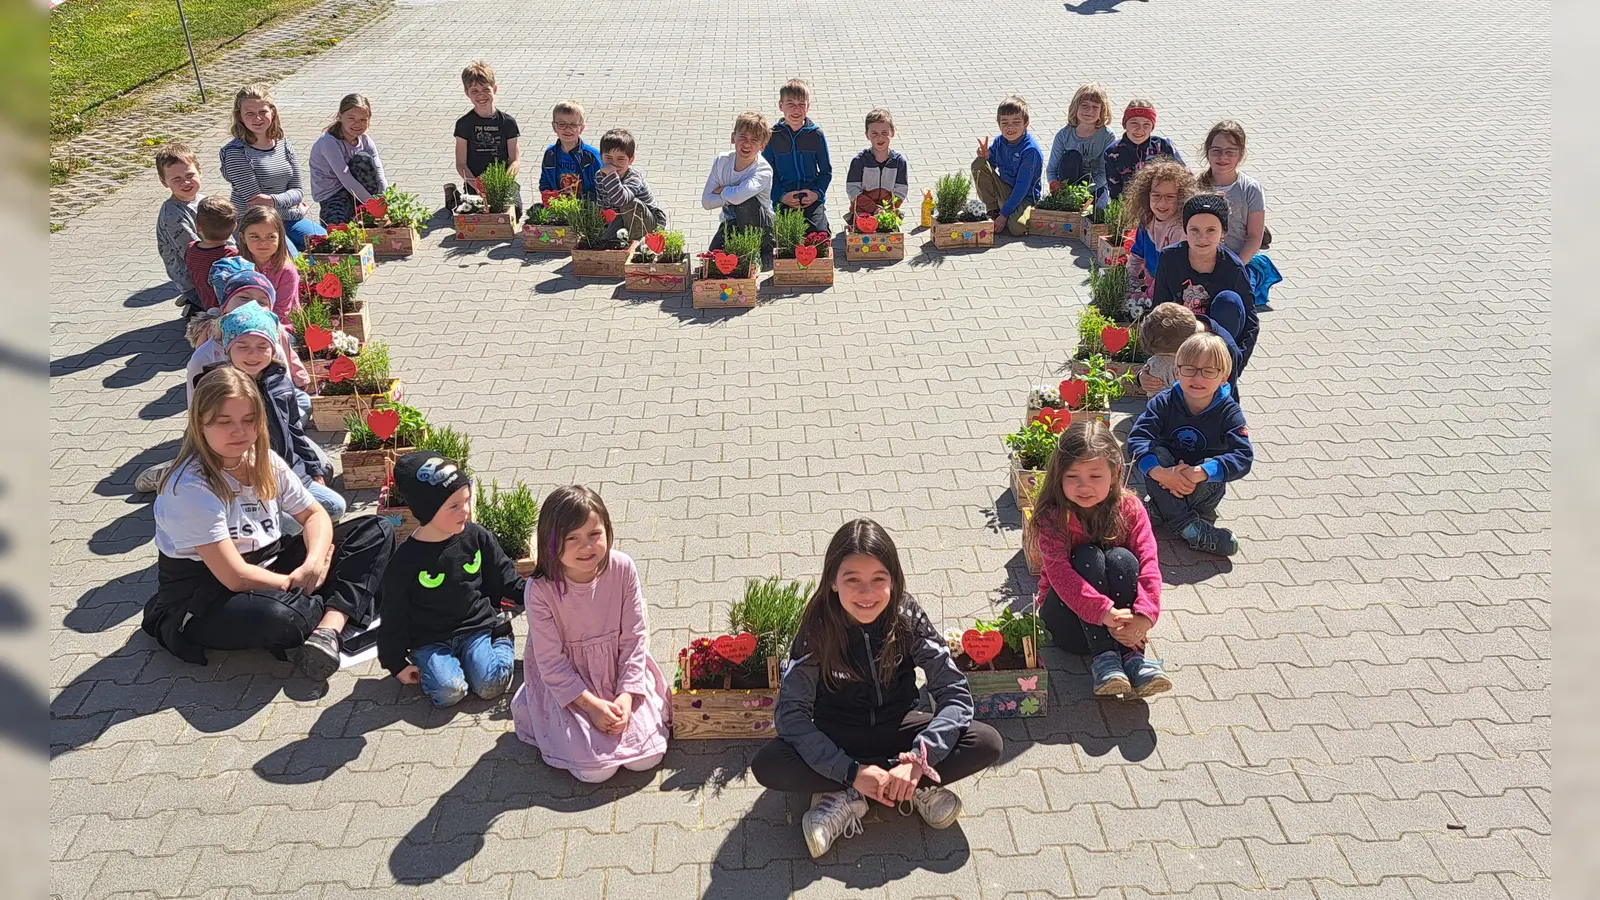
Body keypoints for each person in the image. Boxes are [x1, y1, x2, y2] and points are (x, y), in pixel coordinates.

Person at [750, 519, 1004, 858]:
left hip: (900, 731)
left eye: (878, 580)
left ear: (894, 581)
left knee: (986, 741)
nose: (866, 593)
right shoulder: (817, 627)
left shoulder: (907, 616)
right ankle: (867, 789)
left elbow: (954, 692)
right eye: (852, 579)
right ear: (833, 583)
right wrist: (852, 771)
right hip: (839, 736)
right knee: (769, 763)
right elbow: (791, 715)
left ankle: (879, 789)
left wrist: (917, 759)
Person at [145, 366, 394, 677]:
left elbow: (314, 514)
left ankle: (329, 628)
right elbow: (235, 577)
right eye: (225, 423)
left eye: (249, 421)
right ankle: (345, 600)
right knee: (282, 617)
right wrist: (298, 583)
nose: (240, 431)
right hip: (208, 593)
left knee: (375, 529)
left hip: (273, 564)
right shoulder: (189, 488)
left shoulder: (265, 460)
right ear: (200, 424)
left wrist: (314, 563)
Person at [511, 486, 671, 783]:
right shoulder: (541, 589)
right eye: (572, 538)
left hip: (619, 672)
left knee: (648, 756)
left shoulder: (622, 568)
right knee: (595, 770)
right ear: (550, 543)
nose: (586, 547)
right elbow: (550, 660)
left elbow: (634, 637)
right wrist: (592, 706)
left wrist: (625, 696)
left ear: (608, 531)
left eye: (594, 534)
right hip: (571, 686)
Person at [1026, 420, 1172, 698]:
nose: (1084, 487)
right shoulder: (1052, 517)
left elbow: (1149, 561)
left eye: (1095, 476)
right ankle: (1105, 659)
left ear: (1115, 472)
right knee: (1087, 557)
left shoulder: (1129, 507)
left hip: (1122, 627)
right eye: (1072, 477)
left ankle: (1133, 658)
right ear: (1058, 476)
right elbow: (1060, 576)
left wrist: (1144, 614)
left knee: (1123, 559)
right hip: (1067, 624)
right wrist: (1103, 612)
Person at [379, 452, 520, 707]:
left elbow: (505, 575)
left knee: (490, 686)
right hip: (429, 640)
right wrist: (396, 663)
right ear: (427, 510)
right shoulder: (404, 561)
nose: (464, 510)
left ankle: (501, 638)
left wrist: (537, 591)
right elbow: (392, 614)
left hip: (475, 627)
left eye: (466, 500)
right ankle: (455, 666)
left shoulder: (477, 537)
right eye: (454, 506)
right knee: (448, 693)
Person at [208, 302, 343, 523]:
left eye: (262, 346)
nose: (253, 354)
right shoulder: (221, 389)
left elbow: (294, 430)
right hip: (248, 482)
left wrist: (313, 469)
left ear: (273, 348)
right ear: (227, 349)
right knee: (292, 524)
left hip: (289, 472)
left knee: (335, 507)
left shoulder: (279, 381)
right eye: (242, 346)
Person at [1127, 333, 1254, 556]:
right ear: (1176, 372)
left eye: (1209, 371)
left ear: (1223, 377)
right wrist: (1160, 473)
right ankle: (1190, 529)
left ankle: (1158, 511)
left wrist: (1202, 472)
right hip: (1164, 479)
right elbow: (1138, 438)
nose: (1198, 378)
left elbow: (1243, 456)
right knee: (1157, 451)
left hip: (1203, 489)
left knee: (1211, 462)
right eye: (1189, 369)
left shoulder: (1229, 411)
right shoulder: (1164, 401)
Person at [1152, 194, 1260, 370]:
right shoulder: (1169, 258)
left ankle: (1216, 368)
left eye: (1211, 230)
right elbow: (1159, 308)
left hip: (1220, 341)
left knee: (1229, 300)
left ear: (1223, 232)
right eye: (1195, 230)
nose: (1202, 238)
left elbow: (1251, 321)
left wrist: (1235, 365)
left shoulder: (1233, 267)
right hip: (1183, 339)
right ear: (1185, 230)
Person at [219, 84, 325, 253]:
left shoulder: (284, 144)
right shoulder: (235, 153)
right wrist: (293, 212)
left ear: (272, 112)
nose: (257, 119)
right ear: (240, 117)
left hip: (285, 218)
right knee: (291, 262)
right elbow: (258, 205)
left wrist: (275, 202)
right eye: (250, 114)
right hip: (256, 225)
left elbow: (297, 191)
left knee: (328, 243)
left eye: (263, 112)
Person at [1196, 119, 1282, 306]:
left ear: (1241, 154)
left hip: (1238, 261)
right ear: (1207, 152)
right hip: (1198, 261)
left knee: (1231, 302)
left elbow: (1254, 236)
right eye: (1216, 151)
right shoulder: (1196, 186)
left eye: (1230, 152)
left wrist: (1235, 266)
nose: (1222, 157)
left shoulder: (1251, 189)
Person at [449, 60, 522, 216]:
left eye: (485, 89)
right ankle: (452, 198)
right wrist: (476, 184)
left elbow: (515, 161)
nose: (481, 95)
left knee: (516, 211)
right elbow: (461, 163)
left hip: (502, 182)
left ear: (494, 89)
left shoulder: (507, 122)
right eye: (474, 91)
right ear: (466, 93)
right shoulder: (464, 124)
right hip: (475, 181)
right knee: (471, 213)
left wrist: (502, 182)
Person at [1123, 159, 1196, 313]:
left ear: (1181, 197)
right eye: (1156, 196)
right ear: (1146, 195)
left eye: (1170, 197)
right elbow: (1136, 256)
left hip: (1175, 290)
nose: (1162, 204)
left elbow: (1172, 271)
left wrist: (1147, 296)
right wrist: (1129, 285)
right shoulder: (1147, 220)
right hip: (1152, 283)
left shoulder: (1181, 229)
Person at [763, 79, 832, 235]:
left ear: (808, 106)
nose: (796, 110)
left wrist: (817, 193)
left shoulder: (816, 135)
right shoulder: (772, 136)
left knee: (819, 235)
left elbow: (826, 171)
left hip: (811, 198)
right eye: (790, 104)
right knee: (786, 238)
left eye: (801, 104)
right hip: (785, 199)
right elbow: (766, 173)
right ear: (781, 106)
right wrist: (780, 196)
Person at [309, 93, 388, 226]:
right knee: (338, 231)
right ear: (340, 116)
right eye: (351, 118)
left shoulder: (365, 140)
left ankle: (370, 216)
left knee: (364, 160)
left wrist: (383, 198)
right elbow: (345, 177)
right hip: (333, 193)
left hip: (358, 189)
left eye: (363, 119)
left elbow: (379, 172)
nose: (357, 124)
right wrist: (371, 204)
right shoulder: (329, 142)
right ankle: (353, 213)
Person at [702, 111, 776, 252]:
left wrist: (724, 190)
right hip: (730, 222)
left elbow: (738, 198)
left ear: (762, 146)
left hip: (758, 226)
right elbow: (707, 202)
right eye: (743, 137)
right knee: (713, 260)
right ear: (733, 137)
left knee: (746, 202)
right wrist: (736, 191)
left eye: (754, 140)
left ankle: (762, 250)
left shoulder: (763, 170)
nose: (747, 143)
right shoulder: (722, 161)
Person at [1136, 302, 1242, 399]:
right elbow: (1154, 366)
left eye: (1171, 357)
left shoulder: (1225, 350)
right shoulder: (1179, 330)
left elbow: (1227, 395)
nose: (1166, 361)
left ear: (1187, 346)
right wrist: (1141, 377)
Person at [972, 95, 1044, 236]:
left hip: (1025, 196)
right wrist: (984, 156)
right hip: (1005, 189)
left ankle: (1019, 213)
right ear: (999, 125)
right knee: (978, 164)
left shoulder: (1030, 150)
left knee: (1016, 228)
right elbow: (989, 166)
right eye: (1005, 123)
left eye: (1016, 122)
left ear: (1026, 123)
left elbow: (1022, 187)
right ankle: (993, 210)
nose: (1010, 127)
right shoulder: (1000, 141)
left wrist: (1005, 215)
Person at [1046, 84, 1116, 210]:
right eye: (1084, 106)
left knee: (1097, 214)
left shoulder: (1107, 136)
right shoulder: (1064, 134)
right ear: (1075, 107)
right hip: (1067, 184)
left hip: (1095, 185)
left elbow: (1104, 173)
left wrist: (1084, 191)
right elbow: (1052, 169)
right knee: (1072, 156)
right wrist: (1055, 185)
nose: (1089, 111)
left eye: (1095, 107)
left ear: (1102, 111)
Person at [154, 143, 205, 313]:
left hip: (213, 264)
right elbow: (193, 252)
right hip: (195, 277)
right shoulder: (173, 214)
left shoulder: (205, 201)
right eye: (176, 179)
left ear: (200, 171)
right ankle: (194, 300)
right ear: (164, 182)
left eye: (190, 175)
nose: (185, 182)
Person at [1102, 98, 1184, 202]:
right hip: (1128, 204)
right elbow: (1114, 190)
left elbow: (1183, 175)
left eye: (1146, 124)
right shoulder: (1112, 152)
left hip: (1162, 203)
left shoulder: (1163, 146)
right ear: (1124, 125)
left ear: (1152, 128)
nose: (1140, 129)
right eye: (1134, 123)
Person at [594, 128, 666, 241]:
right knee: (604, 240)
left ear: (631, 159)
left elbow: (621, 200)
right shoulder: (599, 175)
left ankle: (638, 244)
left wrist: (611, 175)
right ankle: (618, 243)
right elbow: (602, 204)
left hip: (646, 222)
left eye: (621, 159)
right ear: (601, 156)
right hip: (619, 219)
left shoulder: (634, 177)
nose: (614, 163)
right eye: (608, 158)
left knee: (631, 203)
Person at [236, 205, 300, 325]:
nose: (263, 243)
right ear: (242, 238)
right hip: (242, 322)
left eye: (270, 237)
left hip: (278, 326)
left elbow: (281, 312)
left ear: (280, 237)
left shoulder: (286, 271)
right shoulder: (237, 266)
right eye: (255, 237)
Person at [844, 108, 909, 218]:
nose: (880, 137)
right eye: (874, 133)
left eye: (884, 132)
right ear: (867, 135)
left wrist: (887, 209)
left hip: (887, 211)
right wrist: (873, 209)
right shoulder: (859, 162)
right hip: (862, 210)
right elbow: (852, 190)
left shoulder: (899, 162)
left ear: (892, 132)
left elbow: (901, 191)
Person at [184, 197, 240, 313]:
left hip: (207, 304)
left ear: (198, 226)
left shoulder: (191, 249)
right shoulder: (232, 255)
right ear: (235, 226)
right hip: (230, 305)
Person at [538, 100, 601, 199]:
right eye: (561, 124)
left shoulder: (591, 156)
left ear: (582, 128)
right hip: (559, 206)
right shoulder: (550, 154)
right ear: (554, 127)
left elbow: (601, 186)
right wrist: (547, 193)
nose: (567, 129)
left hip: (587, 208)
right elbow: (545, 180)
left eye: (573, 125)